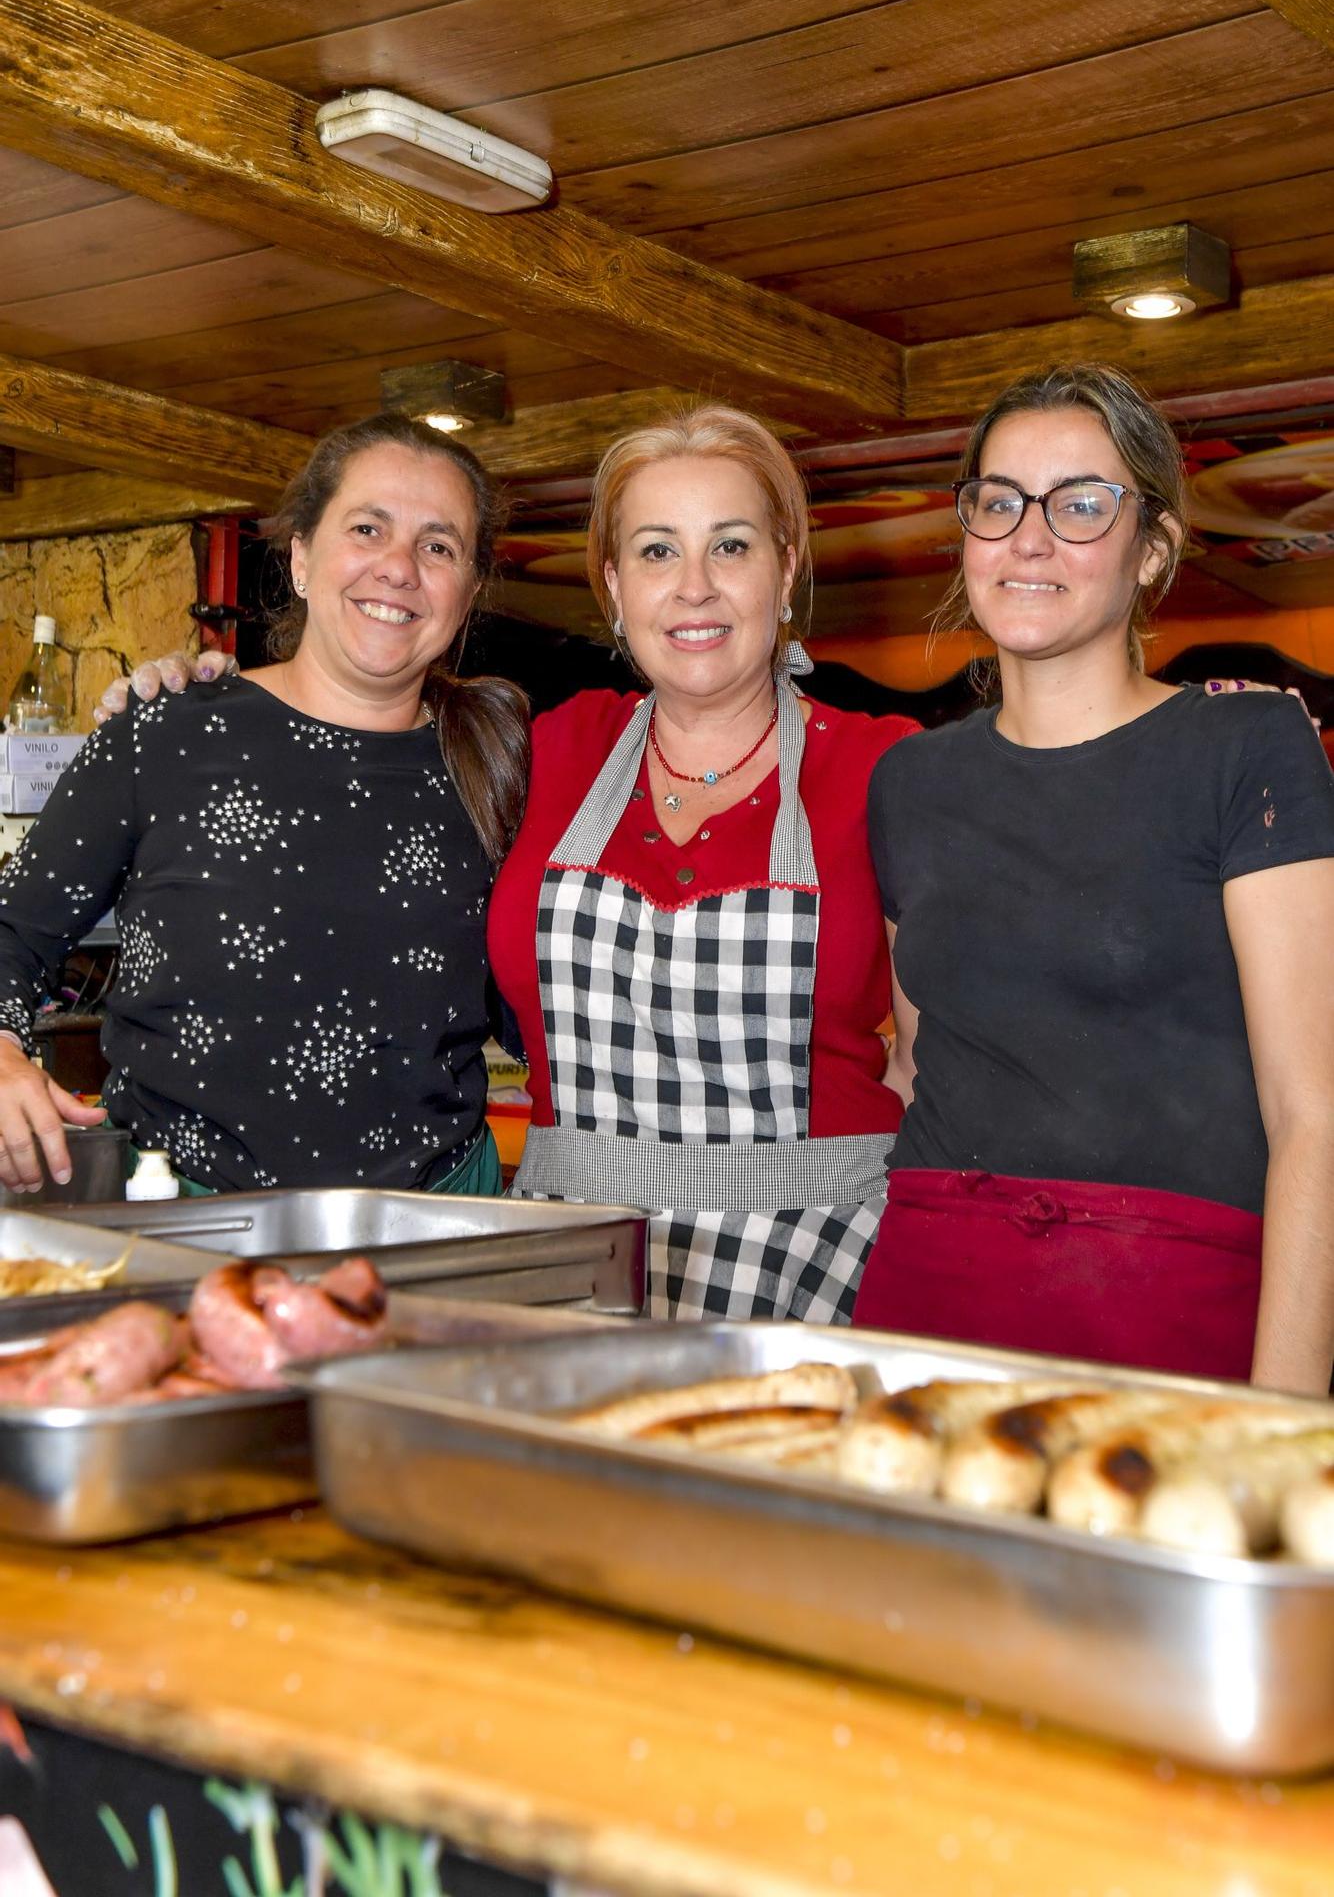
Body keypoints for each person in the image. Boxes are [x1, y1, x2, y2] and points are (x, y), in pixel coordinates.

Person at [853, 364, 1334, 1393]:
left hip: (1166, 1301)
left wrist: (1282, 1420)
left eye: (1080, 504)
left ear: (1149, 549)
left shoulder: (1243, 744)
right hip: (927, 1295)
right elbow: (921, 1059)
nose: (1028, 538)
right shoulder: (908, 779)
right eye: (998, 501)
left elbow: (1313, 1114)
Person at [0, 413, 527, 1198]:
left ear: (468, 592)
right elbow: (13, 930)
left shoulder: (502, 765)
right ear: (303, 557)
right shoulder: (166, 733)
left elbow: (545, 1002)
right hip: (181, 1223)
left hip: (433, 1229)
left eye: (438, 545)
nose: (399, 568)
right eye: (368, 528)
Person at [486, 407, 918, 1319]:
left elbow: (939, 1067)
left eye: (729, 547)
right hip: (575, 1264)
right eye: (654, 551)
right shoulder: (548, 750)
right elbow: (350, 742)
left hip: (820, 1262)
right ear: (611, 583)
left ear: (786, 565)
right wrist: (201, 698)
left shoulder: (887, 767)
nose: (693, 588)